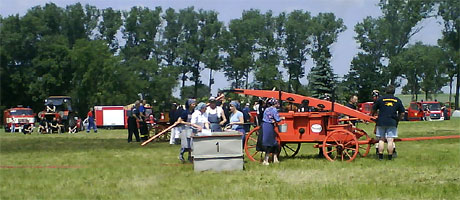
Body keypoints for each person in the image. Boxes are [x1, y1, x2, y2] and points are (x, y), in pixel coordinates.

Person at [371, 85, 405, 160]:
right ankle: (390, 157)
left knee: (381, 139)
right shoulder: (397, 100)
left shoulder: (380, 99)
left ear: (386, 91)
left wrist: (372, 115)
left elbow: (373, 109)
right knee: (390, 140)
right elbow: (402, 112)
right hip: (392, 122)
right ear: (394, 92)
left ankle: (380, 156)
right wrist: (398, 119)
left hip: (381, 121)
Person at [261, 98, 283, 166]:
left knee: (268, 142)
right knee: (272, 142)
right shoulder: (274, 110)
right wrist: (282, 118)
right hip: (269, 126)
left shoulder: (266, 109)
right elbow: (277, 119)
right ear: (275, 104)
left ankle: (267, 159)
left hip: (264, 125)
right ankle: (268, 160)